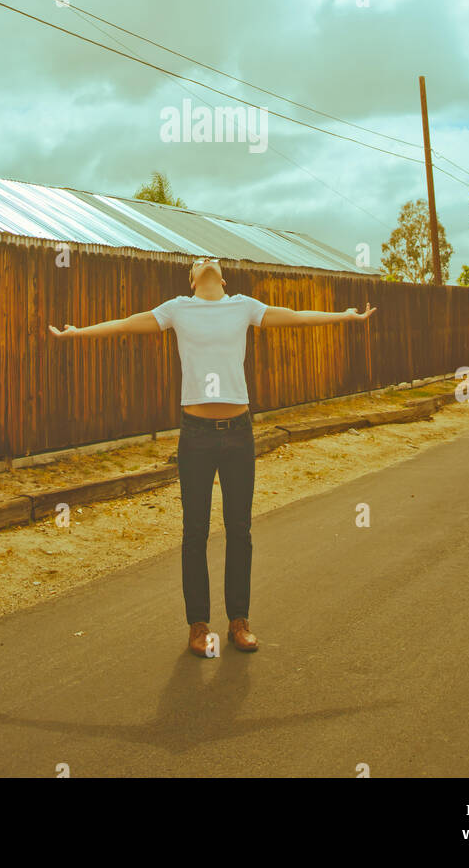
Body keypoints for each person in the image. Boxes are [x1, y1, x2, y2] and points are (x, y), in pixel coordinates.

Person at [49, 256, 376, 657]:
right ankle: (198, 625)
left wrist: (343, 316)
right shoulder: (177, 309)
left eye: (211, 261)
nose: (205, 262)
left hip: (239, 433)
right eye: (198, 262)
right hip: (197, 435)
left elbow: (295, 317)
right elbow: (126, 323)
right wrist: (79, 332)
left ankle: (239, 621)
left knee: (239, 530)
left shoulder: (243, 305)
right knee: (195, 532)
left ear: (223, 277)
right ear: (192, 279)